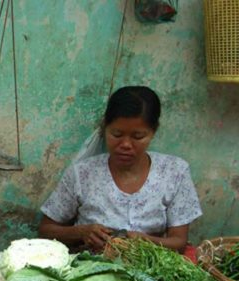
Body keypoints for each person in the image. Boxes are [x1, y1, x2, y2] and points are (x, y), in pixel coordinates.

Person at [39, 86, 201, 252]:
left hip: (148, 270)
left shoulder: (174, 171)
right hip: (88, 268)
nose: (125, 145)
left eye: (138, 136)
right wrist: (81, 232)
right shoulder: (82, 174)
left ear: (153, 132)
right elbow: (46, 230)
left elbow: (179, 241)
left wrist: (144, 241)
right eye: (116, 134)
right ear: (105, 128)